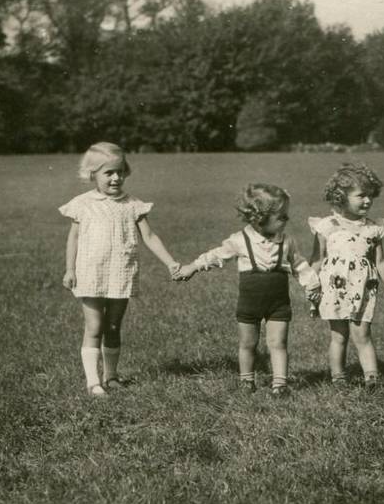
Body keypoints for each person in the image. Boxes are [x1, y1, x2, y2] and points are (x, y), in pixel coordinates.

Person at [174, 184, 319, 397]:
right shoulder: (240, 240)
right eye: (281, 217)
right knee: (248, 343)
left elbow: (299, 265)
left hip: (278, 303)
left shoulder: (286, 241)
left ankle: (280, 385)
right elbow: (217, 255)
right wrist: (193, 267)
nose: (286, 220)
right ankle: (246, 381)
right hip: (250, 303)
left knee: (278, 343)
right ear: (260, 218)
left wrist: (312, 285)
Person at [60, 142, 181, 396]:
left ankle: (111, 376)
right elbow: (74, 238)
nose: (116, 178)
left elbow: (149, 237)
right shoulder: (83, 204)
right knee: (94, 326)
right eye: (108, 173)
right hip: (91, 273)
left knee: (113, 326)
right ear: (92, 174)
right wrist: (70, 269)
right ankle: (93, 382)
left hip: (121, 272)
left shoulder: (132, 204)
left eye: (120, 171)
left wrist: (170, 262)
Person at [309, 163, 384, 389]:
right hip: (334, 289)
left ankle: (372, 379)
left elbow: (381, 262)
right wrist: (311, 285)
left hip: (363, 289)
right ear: (341, 197)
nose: (368, 201)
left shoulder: (373, 228)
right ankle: (338, 379)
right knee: (338, 336)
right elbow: (317, 259)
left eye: (371, 196)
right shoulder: (327, 226)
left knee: (363, 334)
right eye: (361, 196)